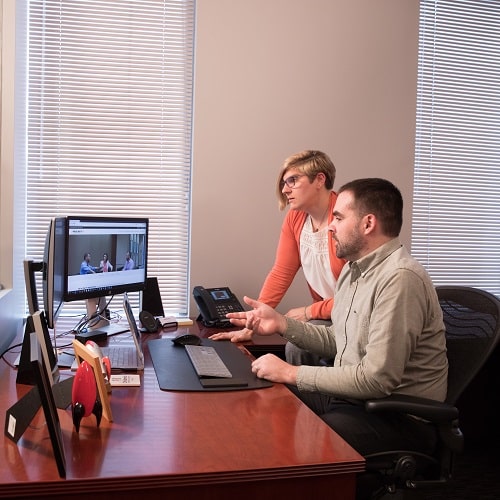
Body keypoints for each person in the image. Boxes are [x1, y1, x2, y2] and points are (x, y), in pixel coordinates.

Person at [225, 178, 448, 496]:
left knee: (293, 444)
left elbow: (377, 380)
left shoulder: (400, 280)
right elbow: (340, 341)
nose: (330, 226)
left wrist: (292, 371)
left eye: (340, 217)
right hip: (358, 402)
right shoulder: (355, 271)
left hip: (398, 417)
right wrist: (282, 325)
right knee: (268, 401)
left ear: (368, 223)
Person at [210, 150, 346, 361]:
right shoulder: (296, 218)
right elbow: (282, 272)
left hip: (356, 314)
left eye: (293, 181)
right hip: (329, 314)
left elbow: (359, 297)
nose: (284, 189)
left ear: (320, 179)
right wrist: (253, 323)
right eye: (284, 183)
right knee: (297, 347)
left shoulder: (346, 220)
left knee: (296, 348)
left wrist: (310, 311)